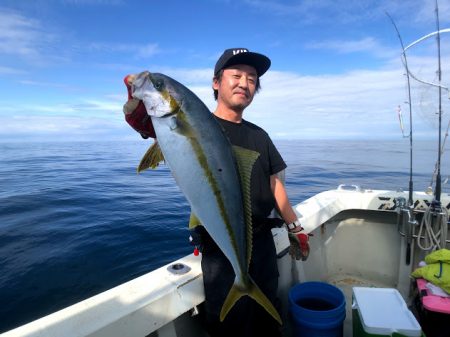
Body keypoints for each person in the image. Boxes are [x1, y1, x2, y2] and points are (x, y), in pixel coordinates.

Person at [123, 48, 309, 337]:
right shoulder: (192, 123)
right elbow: (167, 138)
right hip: (219, 249)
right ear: (215, 82)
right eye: (236, 75)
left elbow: (275, 184)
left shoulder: (259, 135)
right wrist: (151, 127)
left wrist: (295, 227)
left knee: (266, 323)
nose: (244, 83)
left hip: (262, 244)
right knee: (230, 327)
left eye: (252, 79)